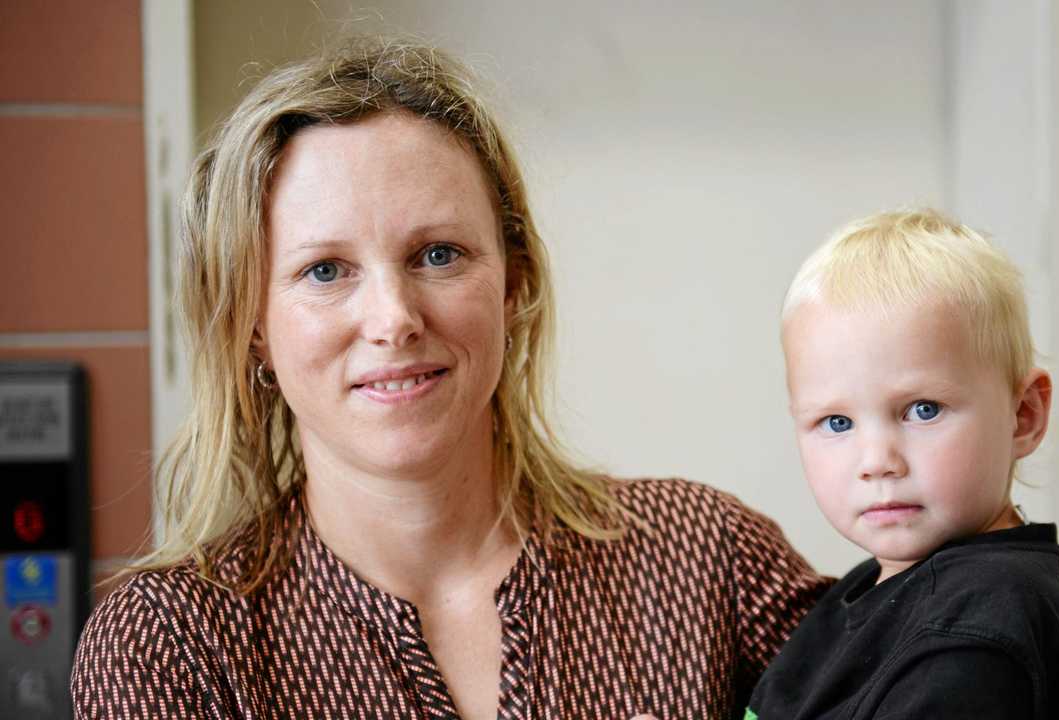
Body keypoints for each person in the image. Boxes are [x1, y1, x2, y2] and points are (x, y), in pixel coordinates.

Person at [71, 37, 827, 719]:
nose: (393, 318)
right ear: (254, 328)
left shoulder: (704, 558)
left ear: (512, 285)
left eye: (438, 254)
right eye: (325, 270)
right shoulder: (169, 648)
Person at [746, 209, 1059, 718]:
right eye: (837, 423)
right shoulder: (881, 587)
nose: (877, 462)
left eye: (922, 410)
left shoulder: (974, 630)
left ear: (1022, 415)